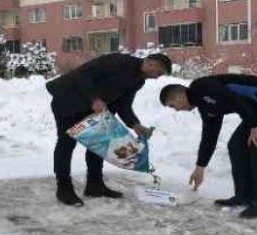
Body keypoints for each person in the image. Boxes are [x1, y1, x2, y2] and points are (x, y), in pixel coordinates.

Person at [159, 74, 257, 219]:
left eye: (172, 105)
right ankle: (243, 196)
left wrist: (254, 125)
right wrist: (200, 167)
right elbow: (210, 136)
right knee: (236, 145)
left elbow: (235, 99)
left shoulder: (201, 86)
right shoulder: (205, 105)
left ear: (179, 97)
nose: (176, 110)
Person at [46, 52, 172, 206]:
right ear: (150, 64)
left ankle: (95, 184)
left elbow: (123, 105)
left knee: (99, 142)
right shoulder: (118, 61)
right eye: (158, 72)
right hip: (68, 100)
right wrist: (95, 99)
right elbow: (82, 75)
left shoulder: (138, 81)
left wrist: (135, 124)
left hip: (92, 108)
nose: (157, 77)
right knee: (66, 143)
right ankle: (63, 187)